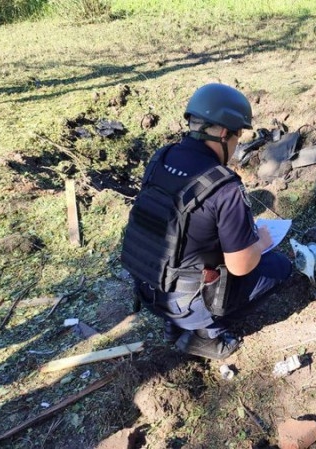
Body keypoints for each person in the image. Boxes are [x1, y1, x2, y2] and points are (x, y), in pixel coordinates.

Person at [120, 83, 292, 359]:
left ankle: (173, 325)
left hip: (147, 288)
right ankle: (204, 337)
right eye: (237, 137)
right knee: (279, 267)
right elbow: (240, 265)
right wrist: (260, 243)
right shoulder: (224, 186)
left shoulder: (161, 157)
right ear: (224, 133)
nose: (236, 146)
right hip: (185, 304)